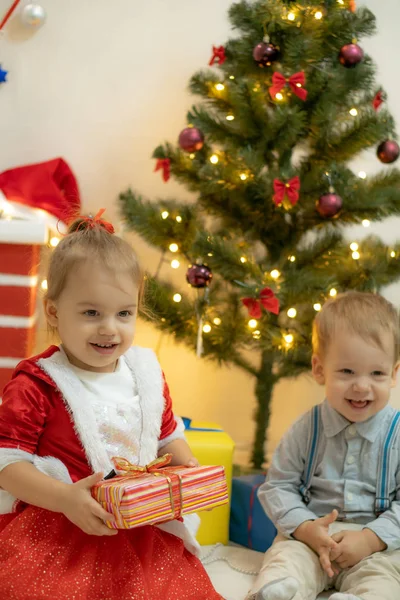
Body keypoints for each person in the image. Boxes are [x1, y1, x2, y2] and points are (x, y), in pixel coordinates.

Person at [0, 210, 223, 600]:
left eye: (124, 314)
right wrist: (64, 498)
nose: (109, 328)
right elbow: (7, 463)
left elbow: (167, 435)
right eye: (91, 313)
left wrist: (185, 470)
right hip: (61, 523)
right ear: (54, 311)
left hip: (139, 521)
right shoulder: (39, 382)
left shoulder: (146, 373)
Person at [247, 291, 400, 600]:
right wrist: (305, 528)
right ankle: (279, 591)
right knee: (285, 561)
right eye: (346, 371)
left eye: (377, 373)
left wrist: (370, 539)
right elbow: (278, 486)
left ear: (394, 374)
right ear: (319, 370)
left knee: (384, 581)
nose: (361, 385)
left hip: (376, 547)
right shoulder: (307, 428)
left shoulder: (396, 433)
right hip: (312, 538)